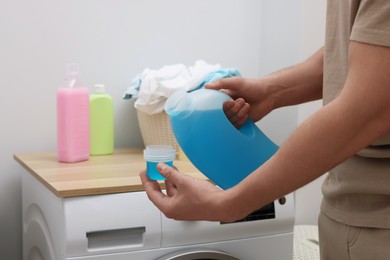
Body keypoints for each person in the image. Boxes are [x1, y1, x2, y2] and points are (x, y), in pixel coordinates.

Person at [140, 1, 390, 259]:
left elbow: (368, 111)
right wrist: (271, 91)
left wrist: (229, 204)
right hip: (350, 211)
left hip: (378, 225)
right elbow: (354, 50)